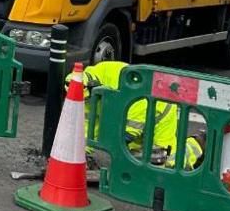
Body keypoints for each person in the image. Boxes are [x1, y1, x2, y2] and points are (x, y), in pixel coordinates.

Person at [73, 61, 203, 170]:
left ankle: (198, 143)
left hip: (159, 112)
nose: (87, 103)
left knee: (166, 164)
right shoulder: (87, 89)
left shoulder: (132, 94)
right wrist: (86, 154)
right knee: (132, 158)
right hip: (129, 118)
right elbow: (89, 125)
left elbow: (127, 134)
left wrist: (101, 158)